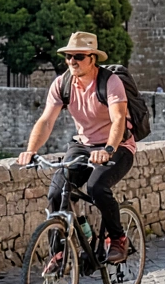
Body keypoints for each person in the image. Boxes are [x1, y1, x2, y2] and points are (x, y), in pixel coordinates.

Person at [17, 32, 134, 264]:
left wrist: (109, 149)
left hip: (118, 145)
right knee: (56, 193)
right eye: (68, 57)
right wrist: (30, 150)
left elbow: (119, 120)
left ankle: (119, 238)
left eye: (78, 56)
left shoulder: (110, 82)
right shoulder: (63, 84)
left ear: (92, 58)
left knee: (97, 187)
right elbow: (46, 120)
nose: (72, 61)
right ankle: (58, 254)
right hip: (83, 145)